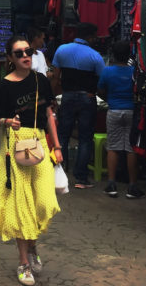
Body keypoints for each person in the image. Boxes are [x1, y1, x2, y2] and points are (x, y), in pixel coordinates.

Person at [0, 36, 62, 285]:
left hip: (40, 143)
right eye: (19, 52)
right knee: (21, 206)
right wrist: (7, 121)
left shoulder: (41, 80)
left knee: (44, 202)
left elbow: (49, 114)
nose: (25, 56)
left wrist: (58, 145)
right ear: (10, 58)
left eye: (28, 51)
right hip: (16, 146)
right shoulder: (4, 86)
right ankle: (23, 263)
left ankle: (32, 245)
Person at [51, 22, 105, 190]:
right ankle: (81, 177)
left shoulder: (62, 50)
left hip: (66, 96)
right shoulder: (95, 56)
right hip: (86, 98)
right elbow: (102, 81)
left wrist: (53, 96)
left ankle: (59, 172)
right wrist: (93, 92)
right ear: (89, 37)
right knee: (85, 138)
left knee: (62, 135)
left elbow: (55, 76)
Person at [97, 40, 142, 199]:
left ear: (114, 55)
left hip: (114, 110)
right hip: (131, 110)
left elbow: (101, 90)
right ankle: (132, 186)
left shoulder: (107, 72)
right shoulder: (134, 72)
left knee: (113, 147)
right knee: (131, 148)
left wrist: (110, 99)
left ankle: (111, 184)